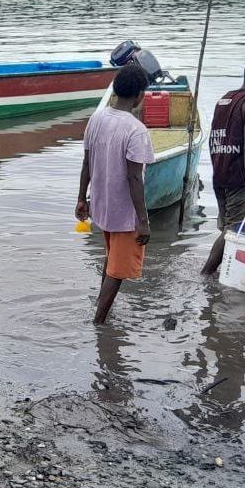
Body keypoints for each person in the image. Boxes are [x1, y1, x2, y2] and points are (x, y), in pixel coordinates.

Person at [75, 64, 153, 323]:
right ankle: (99, 323)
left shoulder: (97, 119)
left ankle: (101, 309)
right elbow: (134, 177)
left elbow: (87, 162)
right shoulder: (135, 129)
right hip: (123, 212)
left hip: (101, 205)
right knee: (118, 271)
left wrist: (80, 198)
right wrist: (143, 220)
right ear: (140, 94)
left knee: (111, 262)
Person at [202, 58, 245, 275]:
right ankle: (206, 275)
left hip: (221, 175)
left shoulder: (225, 99)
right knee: (233, 231)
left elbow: (215, 138)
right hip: (238, 178)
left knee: (228, 229)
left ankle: (223, 275)